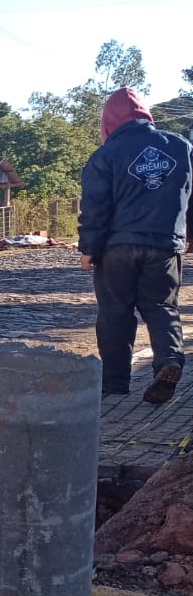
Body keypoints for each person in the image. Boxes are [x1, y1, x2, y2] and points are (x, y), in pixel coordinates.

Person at [79, 88, 193, 405]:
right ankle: (169, 361)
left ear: (108, 121)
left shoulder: (107, 154)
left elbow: (95, 206)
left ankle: (114, 384)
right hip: (164, 243)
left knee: (115, 313)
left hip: (117, 247)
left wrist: (88, 248)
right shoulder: (182, 147)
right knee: (161, 307)